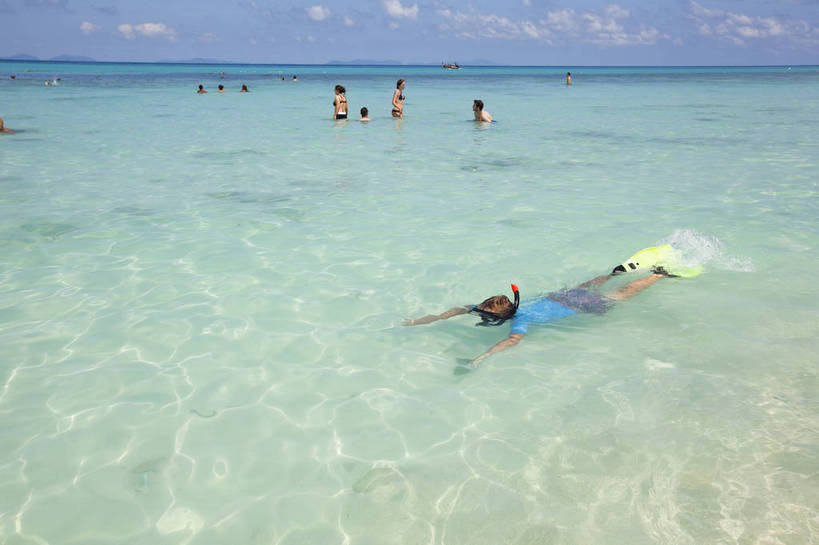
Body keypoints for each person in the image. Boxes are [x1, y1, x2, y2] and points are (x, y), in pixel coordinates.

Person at [403, 263, 681, 367]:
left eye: (485, 312)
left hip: (577, 305)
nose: (480, 311)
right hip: (561, 297)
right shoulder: (508, 307)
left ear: (499, 314)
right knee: (589, 286)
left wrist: (482, 357)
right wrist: (426, 320)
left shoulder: (520, 320)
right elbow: (458, 310)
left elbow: (511, 341)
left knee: (620, 296)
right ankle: (614, 272)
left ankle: (657, 275)